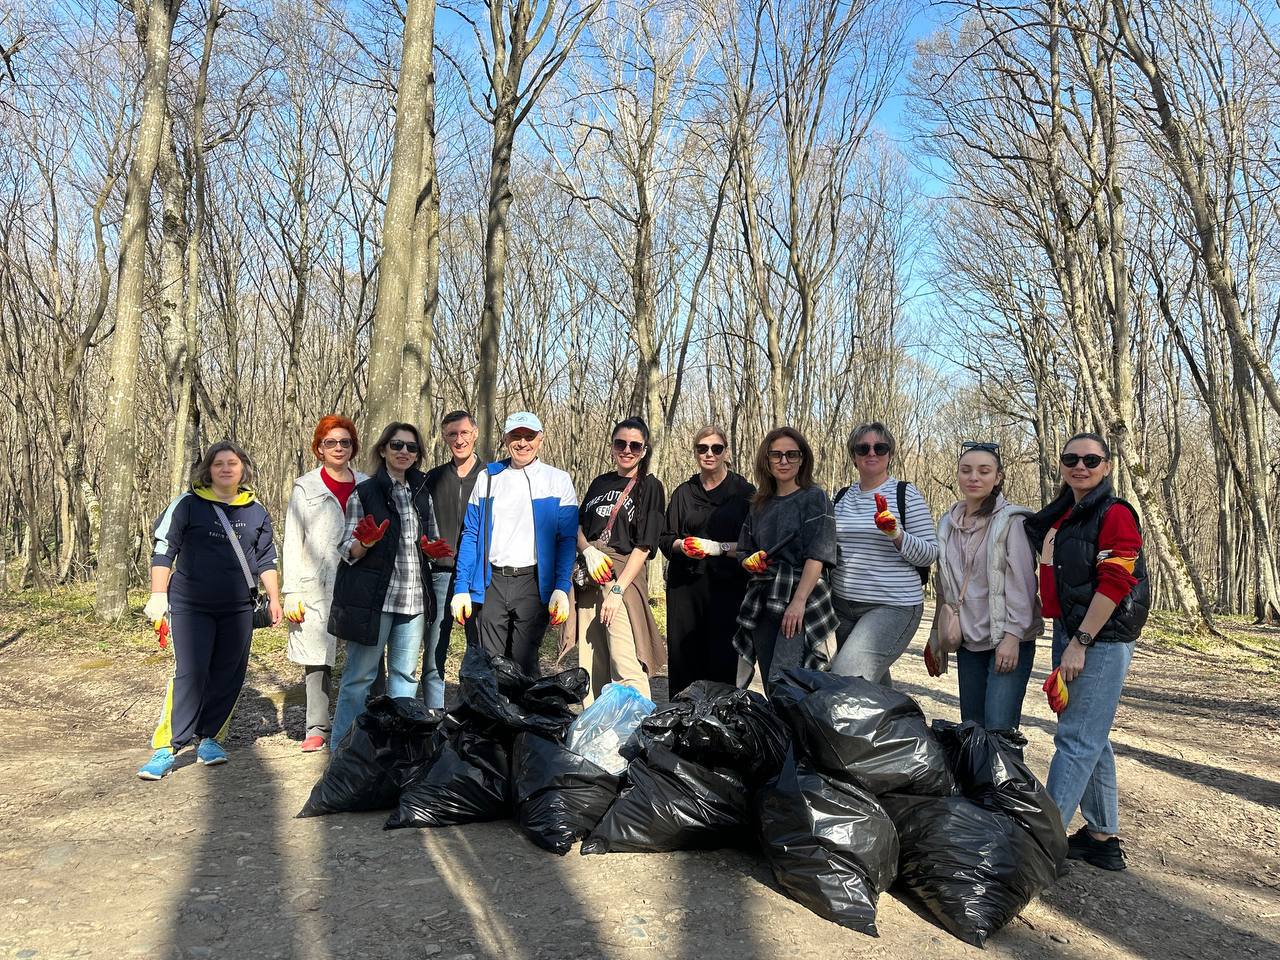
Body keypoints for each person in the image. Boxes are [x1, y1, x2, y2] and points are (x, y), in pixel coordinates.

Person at [1024, 432, 1148, 871]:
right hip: (1069, 631)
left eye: (1091, 460)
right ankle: (1101, 837)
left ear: (1107, 466)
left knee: (1075, 740)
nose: (1080, 466)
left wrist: (1081, 643)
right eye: (1071, 458)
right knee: (1092, 737)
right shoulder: (1066, 514)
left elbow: (1116, 582)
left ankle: (1041, 844)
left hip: (1098, 637)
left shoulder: (1114, 514)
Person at [138, 441, 282, 780]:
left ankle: (210, 738)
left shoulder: (256, 511)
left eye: (233, 463)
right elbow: (164, 550)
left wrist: (274, 597)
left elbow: (266, 559)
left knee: (228, 672)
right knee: (192, 671)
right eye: (219, 463)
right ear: (208, 469)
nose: (226, 469)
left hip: (238, 608)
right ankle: (167, 747)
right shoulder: (188, 505)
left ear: (243, 468)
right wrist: (158, 595)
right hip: (190, 604)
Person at [327, 422, 455, 750]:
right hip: (376, 600)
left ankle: (399, 751)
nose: (404, 452)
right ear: (383, 449)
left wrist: (429, 550)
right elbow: (347, 548)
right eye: (397, 445)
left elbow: (430, 538)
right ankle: (342, 752)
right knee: (359, 679)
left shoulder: (422, 492)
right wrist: (364, 543)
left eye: (411, 448)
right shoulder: (366, 492)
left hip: (413, 600)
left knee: (405, 679)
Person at [452, 412, 577, 677]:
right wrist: (461, 587)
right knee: (489, 663)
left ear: (540, 439)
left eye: (529, 436)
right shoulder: (488, 478)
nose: (523, 443)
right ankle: (494, 718)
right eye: (516, 436)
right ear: (506, 439)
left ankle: (526, 718)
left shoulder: (558, 480)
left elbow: (566, 539)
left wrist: (561, 587)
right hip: (492, 582)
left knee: (525, 663)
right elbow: (471, 534)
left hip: (533, 583)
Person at [933, 442, 1042, 730]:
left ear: (999, 477)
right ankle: (977, 779)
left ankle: (1007, 778)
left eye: (984, 471)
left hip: (1006, 639)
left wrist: (1013, 636)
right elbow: (944, 586)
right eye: (966, 470)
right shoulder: (947, 524)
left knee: (999, 729)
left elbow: (1023, 584)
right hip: (968, 640)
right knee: (972, 728)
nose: (974, 477)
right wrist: (938, 635)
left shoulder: (1012, 522)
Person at [828, 421, 939, 687]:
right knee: (872, 690)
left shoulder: (905, 494)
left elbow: (930, 554)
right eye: (862, 448)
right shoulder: (841, 497)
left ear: (890, 454)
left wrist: (896, 534)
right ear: (853, 456)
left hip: (892, 605)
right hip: (841, 606)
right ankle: (894, 728)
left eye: (880, 447)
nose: (871, 453)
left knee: (844, 681)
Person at [281, 416, 368, 751]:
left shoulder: (366, 483)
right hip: (315, 580)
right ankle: (317, 725)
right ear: (319, 447)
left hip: (359, 575)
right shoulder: (306, 486)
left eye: (345, 442)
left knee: (364, 651)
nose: (338, 448)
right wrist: (292, 590)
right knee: (317, 653)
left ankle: (362, 723)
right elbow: (292, 539)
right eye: (330, 442)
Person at [565, 417, 667, 704]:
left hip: (622, 576)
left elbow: (645, 546)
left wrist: (618, 591)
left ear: (644, 450)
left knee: (625, 663)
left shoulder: (649, 487)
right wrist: (587, 550)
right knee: (591, 662)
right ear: (612, 446)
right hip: (589, 577)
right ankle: (596, 732)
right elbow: (578, 526)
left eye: (635, 445)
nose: (627, 450)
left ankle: (636, 733)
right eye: (621, 443)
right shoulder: (600, 483)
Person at [732, 427, 838, 693]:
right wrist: (750, 561)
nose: (784, 461)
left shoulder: (815, 498)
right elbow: (744, 551)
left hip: (801, 596)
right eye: (776, 455)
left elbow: (819, 554)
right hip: (763, 597)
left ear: (802, 459)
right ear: (766, 460)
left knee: (789, 683)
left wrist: (798, 602)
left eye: (792, 455)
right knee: (771, 680)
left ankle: (800, 735)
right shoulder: (759, 503)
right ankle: (779, 734)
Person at [659, 425, 755, 695]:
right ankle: (683, 720)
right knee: (684, 659)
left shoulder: (744, 493)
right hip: (685, 588)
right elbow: (666, 538)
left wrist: (716, 548)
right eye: (702, 448)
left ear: (726, 451)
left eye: (716, 448)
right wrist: (682, 546)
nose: (709, 454)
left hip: (728, 589)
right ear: (695, 452)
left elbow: (755, 543)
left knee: (723, 659)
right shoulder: (684, 493)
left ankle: (720, 723)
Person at [420, 410, 483, 707]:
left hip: (479, 575)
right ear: (444, 437)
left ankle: (476, 714)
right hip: (441, 574)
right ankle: (434, 716)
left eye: (464, 433)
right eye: (452, 434)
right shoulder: (432, 479)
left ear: (475, 433)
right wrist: (425, 546)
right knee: (434, 651)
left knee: (479, 650)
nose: (459, 440)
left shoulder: (492, 477)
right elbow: (417, 523)